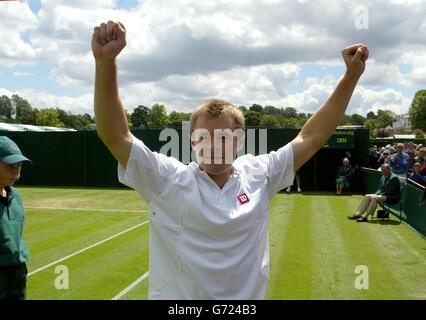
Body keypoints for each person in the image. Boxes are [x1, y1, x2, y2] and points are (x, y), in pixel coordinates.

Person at [92, 20, 368, 299]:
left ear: (239, 141)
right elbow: (116, 136)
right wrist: (105, 63)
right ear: (192, 141)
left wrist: (351, 76)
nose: (214, 145)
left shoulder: (259, 174)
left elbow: (311, 138)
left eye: (224, 137)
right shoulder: (167, 180)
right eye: (204, 137)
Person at [0, 136, 32, 300]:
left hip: (17, 272)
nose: (16, 172)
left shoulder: (16, 195)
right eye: (9, 166)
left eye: (18, 166)